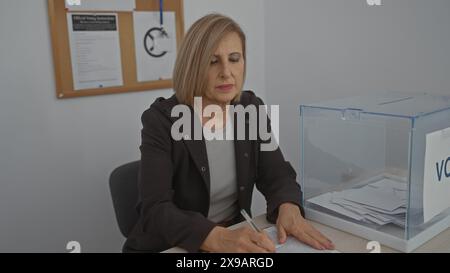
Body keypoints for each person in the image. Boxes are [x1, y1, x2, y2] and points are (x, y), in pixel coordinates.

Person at [123, 13, 334, 253]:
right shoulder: (160, 119)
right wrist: (215, 237)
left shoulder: (250, 108)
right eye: (213, 62)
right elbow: (155, 210)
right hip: (175, 246)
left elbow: (276, 174)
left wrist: (288, 206)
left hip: (234, 239)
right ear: (193, 66)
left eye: (234, 59)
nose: (226, 72)